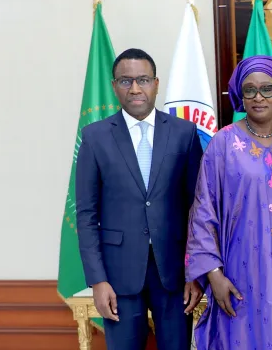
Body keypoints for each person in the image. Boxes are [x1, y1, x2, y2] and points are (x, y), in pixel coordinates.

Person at [185, 55, 272, 349]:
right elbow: (202, 212)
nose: (258, 97)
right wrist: (213, 274)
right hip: (241, 273)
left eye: (267, 89)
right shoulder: (222, 144)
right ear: (240, 95)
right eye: (249, 89)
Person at [76, 48, 204, 349]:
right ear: (114, 86)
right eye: (126, 81)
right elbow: (85, 214)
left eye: (143, 79)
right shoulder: (95, 137)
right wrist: (97, 280)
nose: (135, 88)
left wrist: (195, 271)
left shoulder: (184, 133)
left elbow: (197, 208)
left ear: (156, 84)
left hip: (174, 272)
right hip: (118, 274)